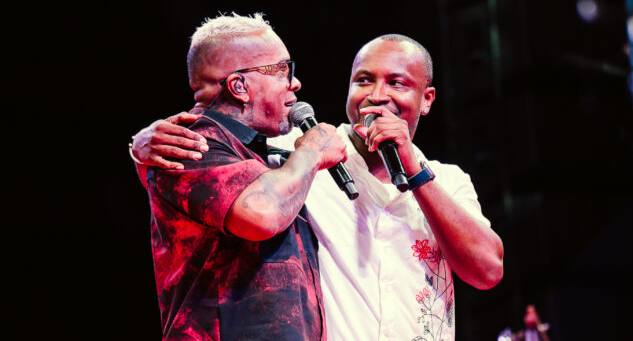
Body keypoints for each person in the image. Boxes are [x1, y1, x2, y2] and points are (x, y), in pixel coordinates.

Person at [132, 33, 504, 341]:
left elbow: (487, 271)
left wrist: (415, 171)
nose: (377, 95)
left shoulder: (448, 180)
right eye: (363, 80)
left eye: (397, 83)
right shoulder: (296, 154)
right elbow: (200, 173)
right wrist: (142, 147)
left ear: (427, 99)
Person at [133, 12, 348, 340]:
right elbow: (261, 215)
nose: (295, 83)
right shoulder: (193, 143)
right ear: (239, 86)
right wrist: (312, 152)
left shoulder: (261, 152)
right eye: (282, 70)